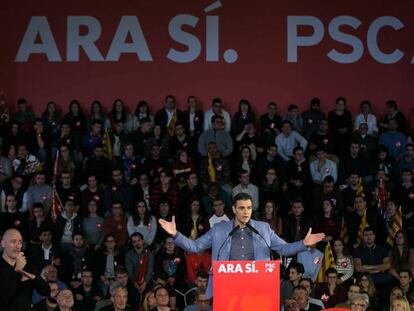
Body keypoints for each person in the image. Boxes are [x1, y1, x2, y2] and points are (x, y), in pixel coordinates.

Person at [158, 193, 325, 297]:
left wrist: (303, 243)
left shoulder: (263, 228)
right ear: (234, 209)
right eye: (242, 208)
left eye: (249, 208)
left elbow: (283, 249)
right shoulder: (219, 229)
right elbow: (194, 247)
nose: (246, 212)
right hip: (227, 284)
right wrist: (175, 234)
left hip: (257, 284)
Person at [0, 228, 50, 310]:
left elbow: (46, 291)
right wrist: (17, 270)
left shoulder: (27, 265)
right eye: (13, 241)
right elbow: (5, 297)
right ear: (3, 243)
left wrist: (34, 277)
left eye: (20, 242)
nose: (18, 246)